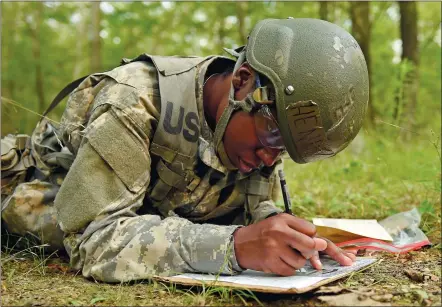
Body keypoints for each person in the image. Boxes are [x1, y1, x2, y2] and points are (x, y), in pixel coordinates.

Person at [1, 18, 368, 282]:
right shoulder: (136, 101)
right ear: (242, 84)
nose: (269, 159)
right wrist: (234, 246)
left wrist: (288, 239)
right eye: (272, 141)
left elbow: (252, 212)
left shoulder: (259, 129)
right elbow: (95, 242)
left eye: (284, 150)